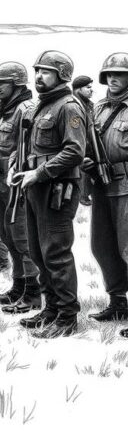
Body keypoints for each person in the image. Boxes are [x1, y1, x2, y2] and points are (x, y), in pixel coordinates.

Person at [10, 51, 86, 339]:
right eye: (37, 71)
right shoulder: (41, 106)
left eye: (46, 71)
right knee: (38, 251)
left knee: (56, 253)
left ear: (62, 74)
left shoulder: (68, 107)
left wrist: (39, 174)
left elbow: (74, 151)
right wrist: (17, 167)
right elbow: (31, 147)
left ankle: (67, 317)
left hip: (57, 189)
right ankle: (51, 308)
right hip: (35, 187)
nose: (39, 76)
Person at [0, 62, 42, 314]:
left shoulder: (25, 109)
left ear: (17, 84)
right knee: (7, 234)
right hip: (0, 180)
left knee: (22, 237)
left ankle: (32, 292)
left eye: (3, 83)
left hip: (15, 180)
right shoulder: (5, 110)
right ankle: (18, 284)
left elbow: (31, 146)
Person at [86, 54, 128, 330]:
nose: (113, 78)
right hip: (102, 185)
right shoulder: (98, 108)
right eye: (109, 74)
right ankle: (118, 303)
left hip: (126, 188)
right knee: (102, 247)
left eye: (120, 74)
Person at [73, 75, 95, 206]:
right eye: (88, 87)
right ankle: (83, 196)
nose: (91, 90)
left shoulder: (90, 105)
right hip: (81, 147)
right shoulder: (74, 106)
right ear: (77, 89)